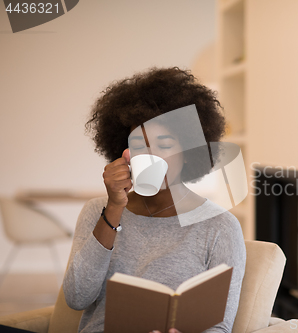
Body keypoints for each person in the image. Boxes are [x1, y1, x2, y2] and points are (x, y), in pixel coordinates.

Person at [62, 67, 246, 333]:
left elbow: (219, 326)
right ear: (124, 153)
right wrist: (114, 207)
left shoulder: (220, 227)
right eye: (139, 145)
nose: (150, 155)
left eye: (165, 143)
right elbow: (77, 298)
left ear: (189, 150)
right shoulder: (98, 211)